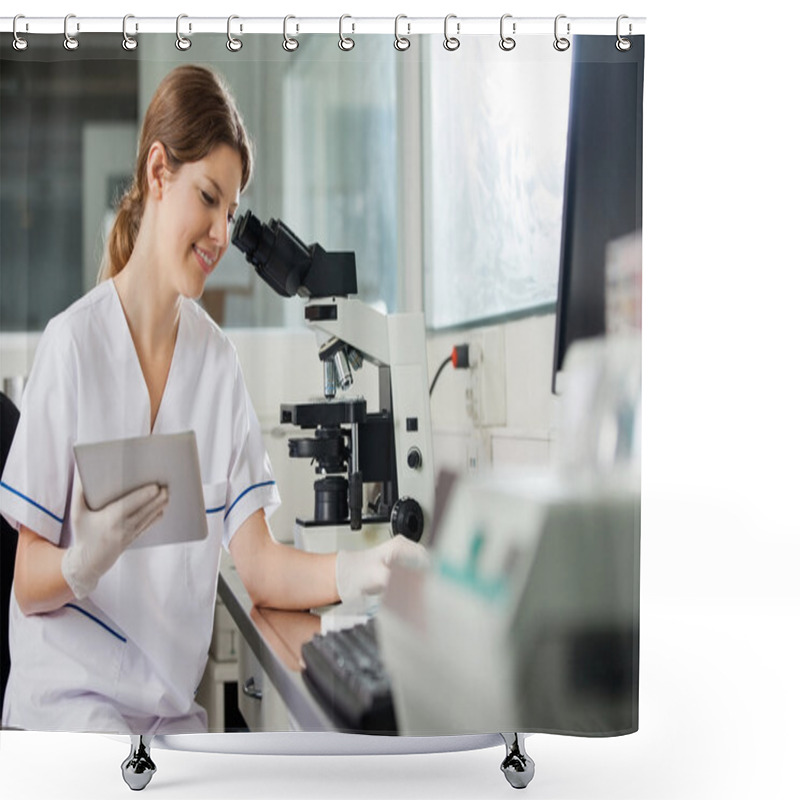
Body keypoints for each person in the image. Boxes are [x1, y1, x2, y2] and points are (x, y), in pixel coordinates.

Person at [0, 64, 425, 735]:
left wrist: (367, 567)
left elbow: (259, 566)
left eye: (231, 211)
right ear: (157, 173)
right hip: (67, 716)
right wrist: (83, 562)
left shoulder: (216, 362)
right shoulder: (71, 345)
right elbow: (27, 580)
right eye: (208, 198)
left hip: (167, 724)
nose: (222, 234)